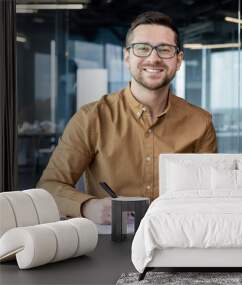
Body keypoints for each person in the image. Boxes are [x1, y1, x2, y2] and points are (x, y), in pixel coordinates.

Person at [37, 11, 217, 224]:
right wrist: (88, 206)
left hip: (180, 238)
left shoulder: (201, 122)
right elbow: (48, 187)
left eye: (165, 49)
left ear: (178, 60)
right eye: (142, 48)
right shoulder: (91, 118)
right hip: (110, 242)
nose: (153, 58)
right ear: (127, 57)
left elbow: (211, 194)